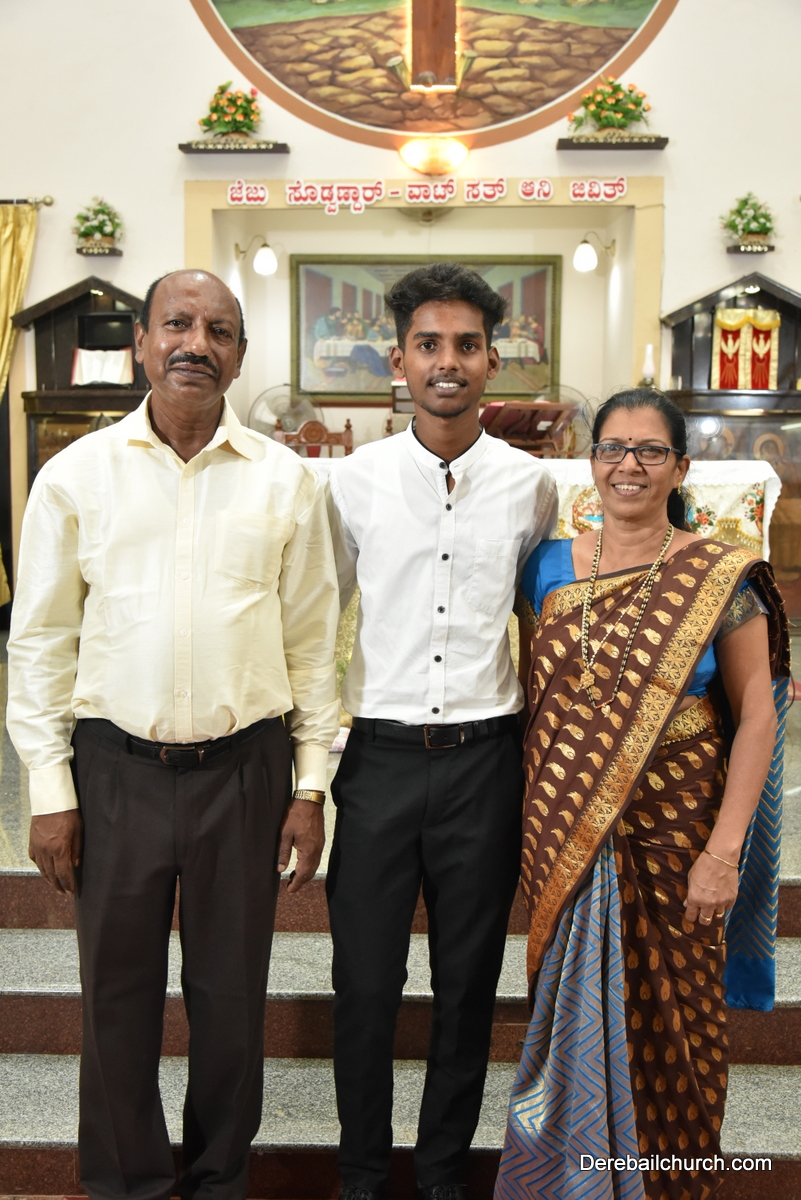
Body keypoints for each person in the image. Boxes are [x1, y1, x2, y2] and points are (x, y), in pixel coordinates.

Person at [7, 270, 341, 1200]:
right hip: (115, 769)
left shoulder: (287, 480)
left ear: (240, 354)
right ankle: (129, 1186)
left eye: (219, 330)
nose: (197, 343)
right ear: (143, 343)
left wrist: (309, 786)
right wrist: (49, 791)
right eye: (178, 325)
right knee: (115, 999)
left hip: (246, 771)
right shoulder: (76, 476)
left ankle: (219, 1182)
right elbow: (40, 641)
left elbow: (314, 644)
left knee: (231, 1001)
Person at [495, 389, 789, 1200]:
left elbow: (756, 716)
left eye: (649, 450)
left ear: (679, 467)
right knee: (568, 1020)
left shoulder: (721, 574)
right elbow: (539, 699)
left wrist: (723, 853)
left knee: (676, 1029)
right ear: (590, 462)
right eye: (612, 448)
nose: (628, 465)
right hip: (563, 831)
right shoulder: (545, 567)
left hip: (677, 837)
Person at [325, 262, 558, 1200]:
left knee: (466, 986)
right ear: (399, 360)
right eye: (428, 344)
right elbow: (321, 617)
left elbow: (538, 618)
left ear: (493, 361)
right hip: (378, 760)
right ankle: (360, 1175)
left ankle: (441, 1175)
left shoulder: (530, 486)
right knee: (364, 985)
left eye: (466, 345)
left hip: (483, 763)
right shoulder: (353, 482)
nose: (447, 362)